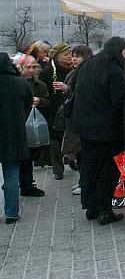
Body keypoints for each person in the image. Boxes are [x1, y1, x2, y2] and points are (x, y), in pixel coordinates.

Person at [70, 37, 125, 225]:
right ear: (118, 52)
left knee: (89, 168)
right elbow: (119, 102)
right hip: (107, 130)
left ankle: (91, 207)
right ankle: (105, 210)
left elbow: (74, 88)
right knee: (108, 170)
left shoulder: (87, 65)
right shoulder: (114, 71)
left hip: (85, 129)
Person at [0, 52, 33, 224]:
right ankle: (11, 213)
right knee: (12, 174)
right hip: (13, 134)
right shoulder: (21, 83)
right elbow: (28, 104)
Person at [38, 43, 73, 180]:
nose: (69, 57)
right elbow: (42, 90)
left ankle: (72, 160)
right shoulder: (48, 72)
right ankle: (58, 169)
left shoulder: (72, 69)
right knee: (56, 139)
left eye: (70, 53)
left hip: (69, 108)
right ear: (57, 57)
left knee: (70, 136)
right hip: (53, 109)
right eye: (66, 54)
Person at [14, 54, 47, 198]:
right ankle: (24, 184)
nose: (32, 70)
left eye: (34, 67)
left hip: (35, 126)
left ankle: (27, 183)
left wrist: (40, 101)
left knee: (30, 156)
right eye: (28, 67)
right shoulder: (15, 83)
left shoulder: (39, 85)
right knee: (22, 157)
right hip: (18, 126)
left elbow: (49, 102)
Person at [63, 45, 93, 196]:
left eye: (78, 56)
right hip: (75, 119)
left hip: (82, 120)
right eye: (73, 55)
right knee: (79, 154)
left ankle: (85, 183)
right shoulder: (74, 73)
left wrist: (66, 90)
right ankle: (83, 181)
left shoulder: (86, 74)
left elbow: (79, 94)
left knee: (83, 154)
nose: (74, 59)